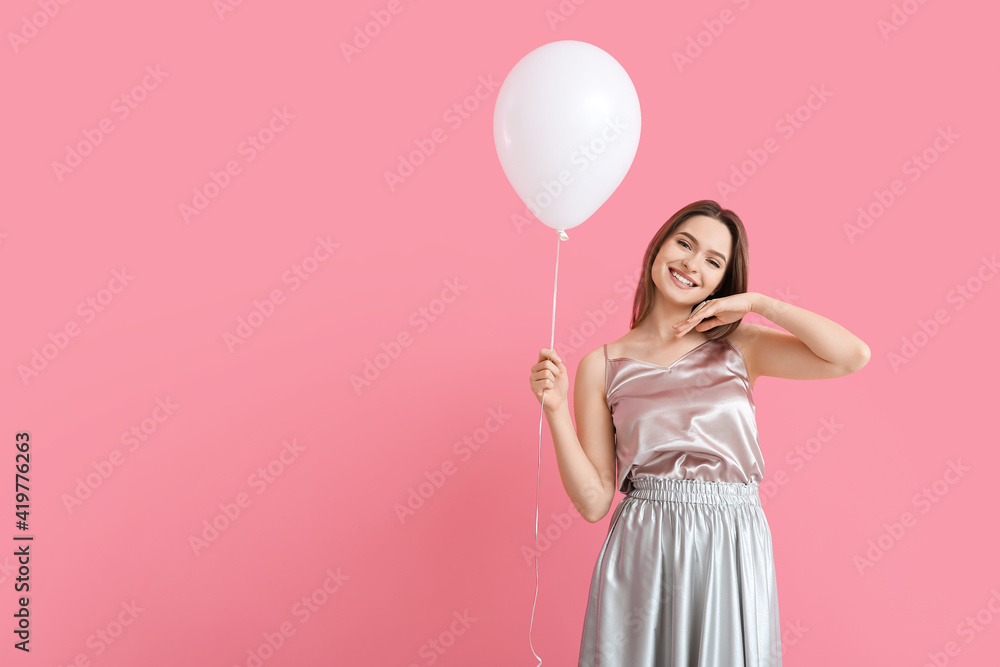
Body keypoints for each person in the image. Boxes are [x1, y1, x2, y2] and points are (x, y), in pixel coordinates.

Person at [528, 200, 870, 666]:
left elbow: (851, 356)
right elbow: (593, 503)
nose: (691, 264)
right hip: (646, 544)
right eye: (684, 244)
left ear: (723, 282)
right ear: (658, 247)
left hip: (730, 539)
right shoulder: (601, 365)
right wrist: (554, 410)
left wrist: (759, 304)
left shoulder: (740, 346)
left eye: (713, 261)